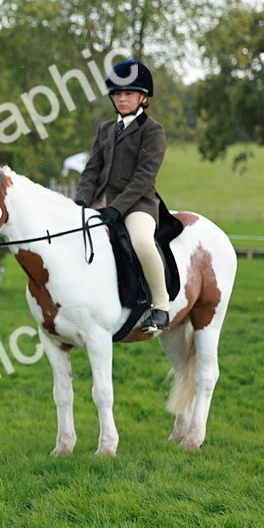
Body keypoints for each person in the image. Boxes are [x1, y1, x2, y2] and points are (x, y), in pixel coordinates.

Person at [74, 59, 170, 332]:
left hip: (138, 205)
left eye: (128, 93)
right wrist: (80, 202)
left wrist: (117, 207)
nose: (122, 98)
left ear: (143, 98)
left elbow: (144, 176)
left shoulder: (152, 131)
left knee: (142, 242)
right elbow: (91, 170)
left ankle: (161, 306)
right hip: (101, 203)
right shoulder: (105, 129)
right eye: (117, 94)